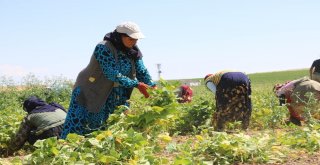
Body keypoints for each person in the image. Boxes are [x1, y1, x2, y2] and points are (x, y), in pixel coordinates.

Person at [60, 21, 156, 138]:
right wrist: (136, 84)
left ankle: (103, 151)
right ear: (121, 36)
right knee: (84, 124)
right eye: (131, 39)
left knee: (113, 125)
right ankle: (71, 150)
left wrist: (152, 86)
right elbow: (112, 73)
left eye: (136, 39)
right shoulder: (103, 47)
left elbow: (142, 71)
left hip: (116, 93)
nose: (134, 42)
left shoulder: (133, 51)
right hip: (92, 90)